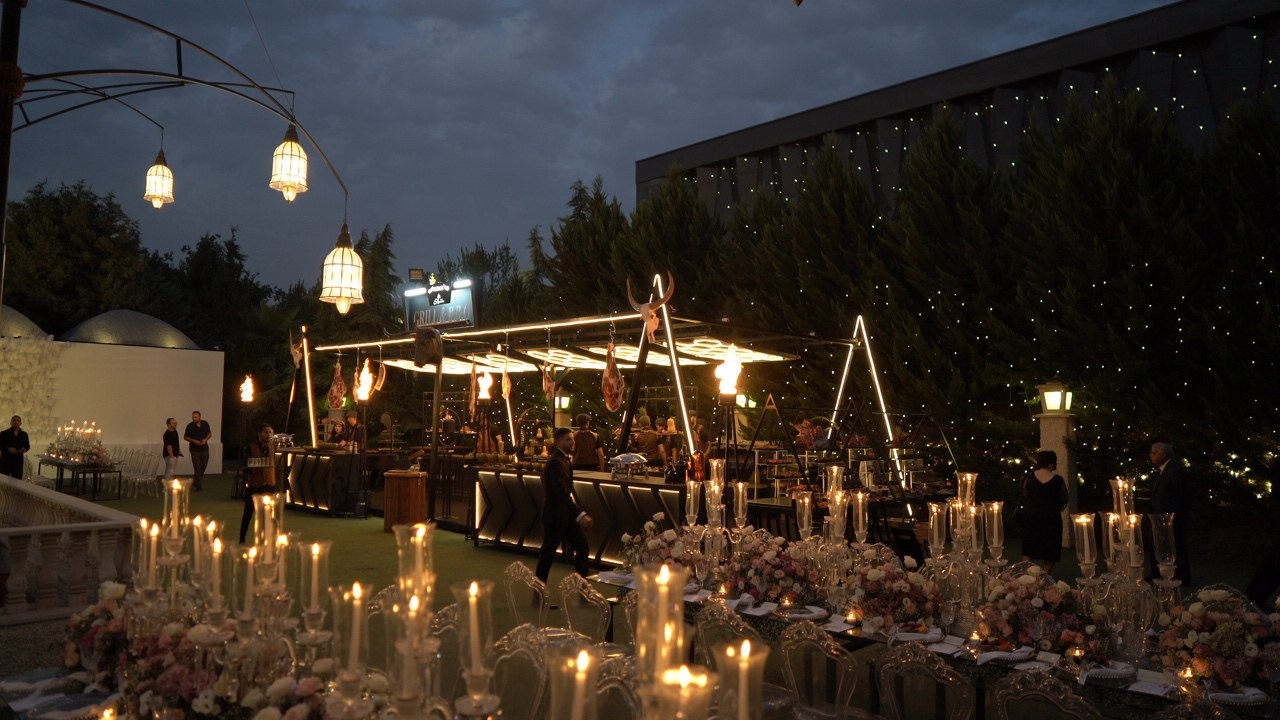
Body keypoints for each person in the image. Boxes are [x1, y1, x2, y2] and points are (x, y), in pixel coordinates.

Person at [535, 427, 593, 584]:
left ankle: (582, 589)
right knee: (548, 554)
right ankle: (539, 593)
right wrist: (580, 515)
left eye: (572, 439)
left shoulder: (565, 460)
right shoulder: (555, 462)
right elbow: (560, 493)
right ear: (557, 442)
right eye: (568, 439)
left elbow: (565, 492)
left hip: (565, 515)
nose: (572, 442)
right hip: (555, 516)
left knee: (582, 547)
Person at [1150, 441, 1192, 584]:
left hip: (1173, 516)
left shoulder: (1174, 470)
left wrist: (1175, 513)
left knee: (1177, 545)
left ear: (1163, 454)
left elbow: (1182, 494)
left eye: (1154, 452)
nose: (1150, 455)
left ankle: (1182, 576)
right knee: (1164, 545)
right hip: (1162, 515)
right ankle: (1161, 573)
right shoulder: (1163, 470)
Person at [1019, 450, 1068, 572]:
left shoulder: (1030, 477)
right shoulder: (1058, 480)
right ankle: (1043, 578)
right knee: (1050, 551)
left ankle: (1028, 578)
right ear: (1051, 463)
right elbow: (1064, 500)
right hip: (1051, 519)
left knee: (1028, 548)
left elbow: (1025, 494)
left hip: (1031, 518)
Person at [239, 423, 277, 545]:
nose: (268, 435)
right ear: (259, 434)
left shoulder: (275, 447)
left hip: (269, 483)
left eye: (270, 432)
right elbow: (245, 466)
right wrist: (253, 469)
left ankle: (268, 540)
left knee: (268, 514)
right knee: (248, 512)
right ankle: (242, 540)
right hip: (254, 484)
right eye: (266, 432)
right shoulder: (250, 447)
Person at [184, 411, 212, 491]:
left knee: (204, 465)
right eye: (193, 417)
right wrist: (193, 441)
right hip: (194, 450)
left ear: (200, 417)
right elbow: (185, 437)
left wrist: (206, 439)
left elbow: (209, 433)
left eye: (196, 417)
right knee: (197, 468)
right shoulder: (190, 426)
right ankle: (198, 486)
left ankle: (196, 481)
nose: (194, 418)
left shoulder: (205, 423)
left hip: (204, 449)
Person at [0, 415, 30, 479]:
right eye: (13, 420)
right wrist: (8, 449)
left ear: (20, 423)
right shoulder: (4, 433)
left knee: (17, 482)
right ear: (10, 423)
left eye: (18, 420)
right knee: (4, 482)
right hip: (6, 461)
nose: (15, 422)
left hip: (18, 462)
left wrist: (24, 449)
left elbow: (27, 446)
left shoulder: (24, 434)